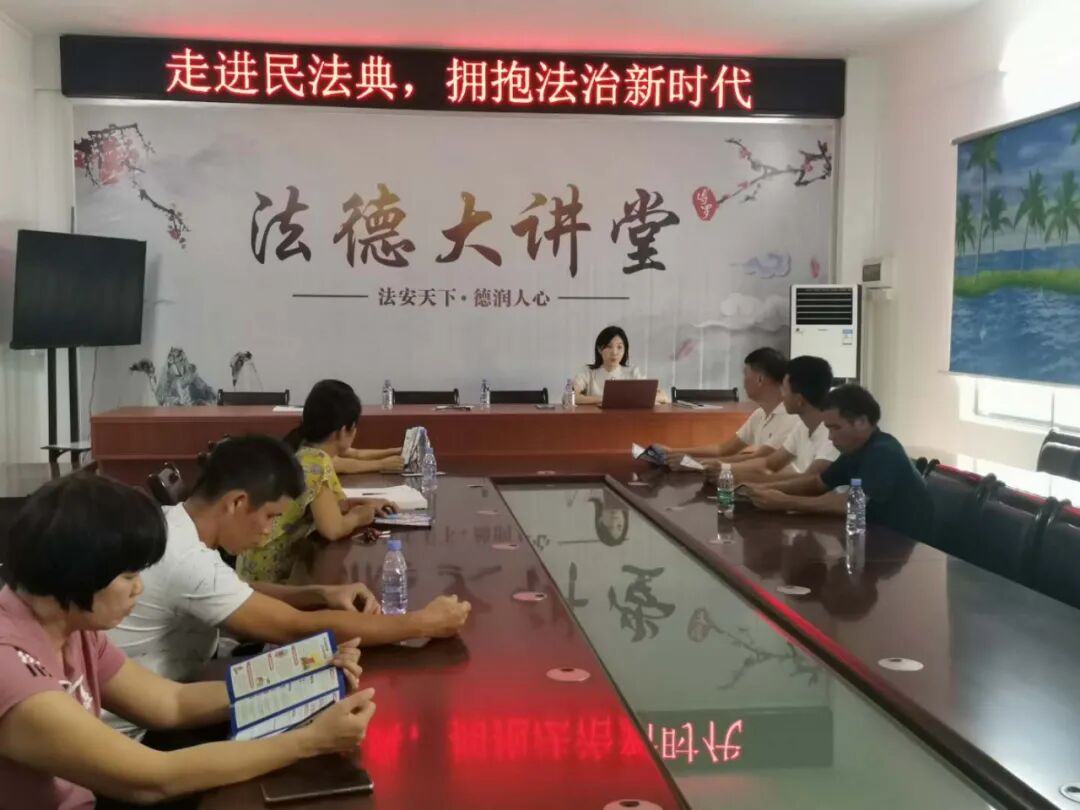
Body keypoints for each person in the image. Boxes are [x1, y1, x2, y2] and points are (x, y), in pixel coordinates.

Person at [0, 473, 373, 809]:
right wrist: (312, 740)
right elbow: (153, 779)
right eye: (128, 576)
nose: (138, 588)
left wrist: (301, 681)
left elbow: (171, 703)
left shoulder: (73, 628)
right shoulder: (11, 668)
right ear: (77, 572)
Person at [108, 435, 471, 740]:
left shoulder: (176, 524)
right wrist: (421, 623)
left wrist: (321, 594)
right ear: (236, 502)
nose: (269, 530)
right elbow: (296, 628)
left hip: (180, 693)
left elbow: (238, 588)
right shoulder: (186, 558)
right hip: (141, 734)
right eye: (269, 516)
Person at [238, 380, 395, 584]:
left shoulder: (306, 451)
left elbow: (326, 506)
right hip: (265, 578)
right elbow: (332, 529)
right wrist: (359, 517)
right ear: (343, 430)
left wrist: (363, 503)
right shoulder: (316, 463)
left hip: (253, 565)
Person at [748, 384, 934, 542]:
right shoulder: (855, 450)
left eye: (835, 428)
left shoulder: (883, 451)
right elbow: (817, 483)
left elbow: (852, 504)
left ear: (861, 422)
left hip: (903, 546)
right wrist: (761, 489)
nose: (830, 437)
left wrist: (786, 502)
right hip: (870, 537)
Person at [658, 347, 800, 467]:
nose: (743, 381)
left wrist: (692, 463)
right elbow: (723, 449)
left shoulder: (791, 416)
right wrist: (672, 452)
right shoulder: (759, 414)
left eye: (746, 374)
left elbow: (758, 459)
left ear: (760, 379)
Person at [719, 355, 839, 484]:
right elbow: (769, 463)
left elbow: (809, 480)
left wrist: (732, 475)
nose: (782, 395)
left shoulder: (833, 434)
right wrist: (725, 469)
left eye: (785, 390)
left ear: (799, 400)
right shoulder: (802, 427)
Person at [572, 325, 669, 405]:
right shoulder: (588, 372)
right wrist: (606, 399)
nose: (614, 352)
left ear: (625, 350)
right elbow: (571, 396)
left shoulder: (632, 372)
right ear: (599, 349)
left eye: (619, 347)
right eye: (609, 346)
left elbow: (663, 396)